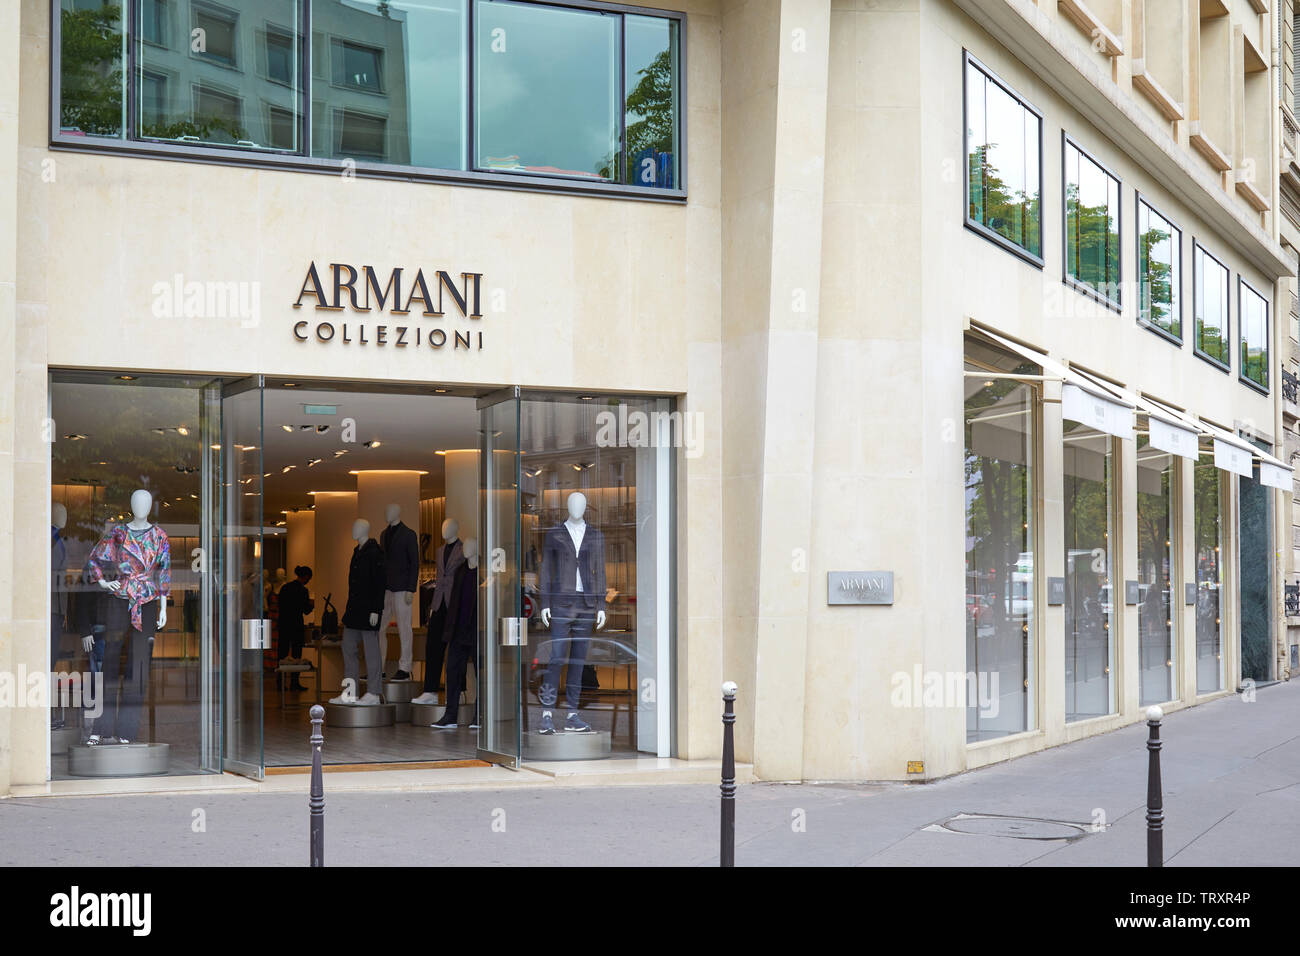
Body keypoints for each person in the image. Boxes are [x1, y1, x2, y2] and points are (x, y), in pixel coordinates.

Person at [277, 566, 315, 691]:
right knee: (296, 654)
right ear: (305, 577)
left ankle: (280, 683)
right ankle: (294, 682)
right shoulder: (303, 591)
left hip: (283, 624)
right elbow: (306, 610)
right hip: (296, 625)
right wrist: (311, 604)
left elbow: (280, 605)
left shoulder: (285, 588)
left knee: (282, 653)